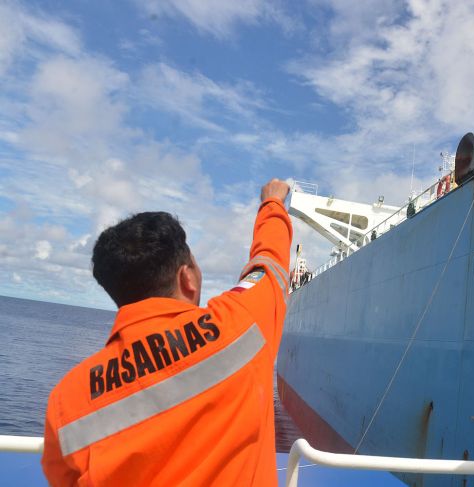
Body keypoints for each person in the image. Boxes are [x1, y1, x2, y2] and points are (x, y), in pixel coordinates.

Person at [41, 179, 292, 486]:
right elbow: (269, 264)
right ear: (187, 278)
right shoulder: (240, 325)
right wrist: (272, 203)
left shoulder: (66, 400)